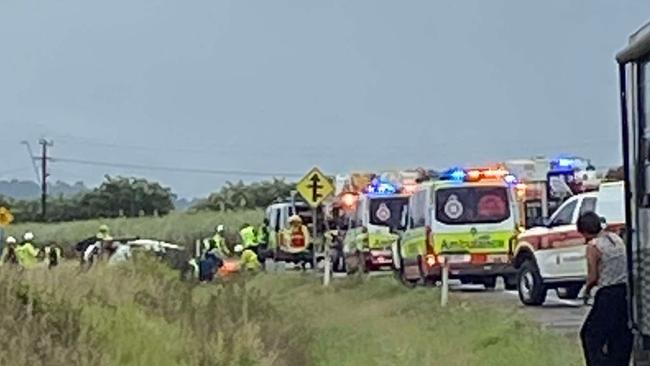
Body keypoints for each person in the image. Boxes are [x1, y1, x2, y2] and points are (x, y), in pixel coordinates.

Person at [578, 211, 632, 366]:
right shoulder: (616, 239)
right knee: (619, 336)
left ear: (584, 231)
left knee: (590, 335)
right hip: (625, 293)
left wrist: (587, 290)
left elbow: (593, 276)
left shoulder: (593, 246)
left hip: (607, 294)